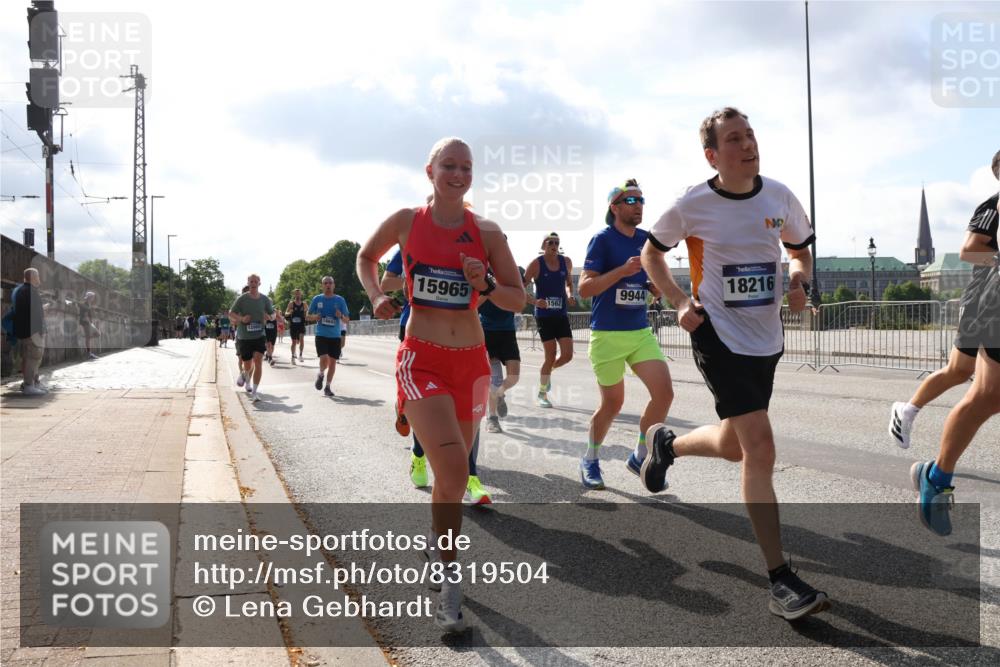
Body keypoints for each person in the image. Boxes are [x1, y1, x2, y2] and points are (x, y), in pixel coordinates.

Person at [641, 106, 829, 621]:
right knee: (759, 448)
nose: (748, 145)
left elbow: (800, 251)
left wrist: (797, 279)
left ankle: (668, 443)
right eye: (735, 139)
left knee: (733, 443)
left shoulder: (780, 196)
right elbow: (651, 254)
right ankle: (780, 580)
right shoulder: (693, 203)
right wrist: (680, 301)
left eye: (751, 135)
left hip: (765, 339)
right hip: (716, 333)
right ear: (712, 154)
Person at [357, 137, 524, 632]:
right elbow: (367, 257)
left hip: (471, 364)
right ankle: (450, 585)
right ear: (429, 170)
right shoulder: (408, 222)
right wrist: (375, 296)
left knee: (452, 480)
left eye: (466, 167)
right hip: (422, 360)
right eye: (448, 165)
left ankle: (437, 543)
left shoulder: (487, 232)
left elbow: (518, 299)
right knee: (451, 472)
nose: (457, 173)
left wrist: (486, 285)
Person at [890, 149, 1000, 449]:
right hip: (981, 301)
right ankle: (907, 410)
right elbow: (968, 250)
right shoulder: (992, 207)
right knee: (959, 370)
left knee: (971, 377)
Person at [911, 192, 1000, 535]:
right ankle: (937, 477)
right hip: (994, 303)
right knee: (988, 395)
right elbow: (971, 249)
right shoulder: (992, 205)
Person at [577, 179, 673, 490]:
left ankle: (639, 455)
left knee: (664, 393)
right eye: (631, 201)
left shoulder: (647, 241)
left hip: (639, 331)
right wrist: (621, 270)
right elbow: (584, 289)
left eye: (641, 200)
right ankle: (590, 459)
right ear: (614, 207)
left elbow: (651, 278)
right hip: (607, 334)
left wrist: (654, 287)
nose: (639, 205)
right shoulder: (602, 240)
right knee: (612, 405)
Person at [523, 233, 576, 407]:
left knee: (567, 355)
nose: (554, 245)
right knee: (550, 355)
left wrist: (570, 295)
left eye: (557, 242)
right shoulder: (536, 264)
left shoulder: (566, 261)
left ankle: (548, 371)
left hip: (560, 314)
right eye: (550, 242)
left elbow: (569, 283)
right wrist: (535, 301)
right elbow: (520, 287)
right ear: (543, 245)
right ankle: (542, 393)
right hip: (544, 316)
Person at [479, 273, 521, 434]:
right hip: (488, 333)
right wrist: (488, 290)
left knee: (514, 377)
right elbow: (473, 305)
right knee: (494, 379)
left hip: (507, 333)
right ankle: (492, 418)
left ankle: (499, 394)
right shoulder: (482, 284)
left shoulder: (510, 285)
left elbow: (518, 305)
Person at [229, 274, 274, 403]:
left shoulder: (265, 299)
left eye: (256, 281)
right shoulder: (242, 299)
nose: (253, 283)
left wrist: (269, 317)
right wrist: (242, 319)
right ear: (248, 283)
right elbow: (231, 313)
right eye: (251, 281)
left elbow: (272, 313)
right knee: (248, 365)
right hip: (244, 337)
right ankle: (244, 373)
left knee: (258, 362)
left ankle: (254, 392)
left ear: (259, 283)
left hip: (259, 335)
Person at [307, 277, 350, 397]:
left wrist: (340, 315)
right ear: (322, 286)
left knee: (332, 363)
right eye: (325, 283)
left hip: (335, 336)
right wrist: (315, 317)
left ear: (334, 285)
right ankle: (321, 374)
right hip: (321, 334)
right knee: (324, 359)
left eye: (330, 283)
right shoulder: (317, 299)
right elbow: (308, 316)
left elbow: (347, 320)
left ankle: (328, 387)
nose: (328, 285)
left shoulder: (340, 300)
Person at [12, 268, 49, 395]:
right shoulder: (30, 291)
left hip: (26, 330)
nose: (39, 278)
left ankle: (32, 383)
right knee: (33, 357)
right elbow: (34, 314)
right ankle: (29, 385)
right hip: (32, 331)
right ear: (33, 277)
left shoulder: (23, 290)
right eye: (37, 276)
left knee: (31, 357)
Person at [285, 289, 307, 364]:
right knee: (294, 342)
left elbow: (307, 313)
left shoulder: (304, 304)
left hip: (301, 324)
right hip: (293, 325)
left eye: (299, 294)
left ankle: (300, 355)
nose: (298, 295)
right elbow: (285, 313)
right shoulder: (291, 303)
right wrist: (289, 312)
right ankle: (293, 356)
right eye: (296, 294)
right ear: (294, 295)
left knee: (301, 339)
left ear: (301, 295)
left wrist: (306, 314)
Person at [78, 291, 100, 360]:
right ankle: (89, 353)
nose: (93, 298)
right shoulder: (84, 304)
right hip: (85, 322)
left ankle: (87, 339)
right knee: (92, 336)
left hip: (88, 322)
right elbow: (84, 315)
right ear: (89, 297)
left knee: (97, 334)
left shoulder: (88, 304)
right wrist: (89, 322)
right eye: (92, 297)